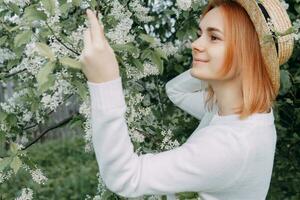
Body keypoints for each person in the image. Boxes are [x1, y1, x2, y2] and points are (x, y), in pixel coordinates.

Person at [79, 0, 295, 199]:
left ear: (247, 54)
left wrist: (104, 82)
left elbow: (125, 177)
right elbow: (175, 91)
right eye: (200, 34)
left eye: (214, 37)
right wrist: (212, 66)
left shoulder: (228, 146)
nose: (195, 44)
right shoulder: (240, 110)